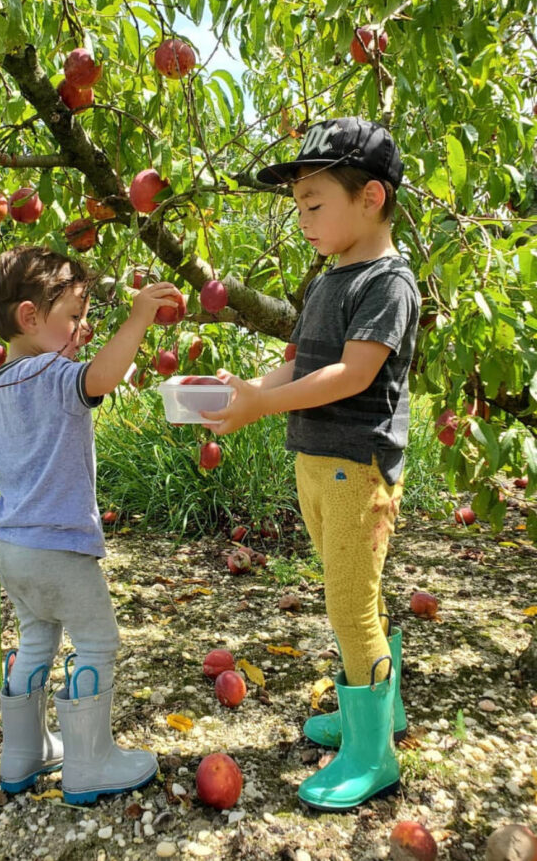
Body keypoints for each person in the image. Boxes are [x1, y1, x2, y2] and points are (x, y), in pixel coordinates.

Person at [202, 117, 421, 811]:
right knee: (351, 593)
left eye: (314, 203)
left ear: (371, 198)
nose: (303, 218)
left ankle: (372, 753)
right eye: (297, 206)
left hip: (358, 468)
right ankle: (381, 711)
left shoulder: (388, 283)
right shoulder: (330, 281)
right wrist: (249, 391)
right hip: (317, 464)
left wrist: (262, 408)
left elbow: (355, 375)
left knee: (349, 605)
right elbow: (300, 361)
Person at [0, 244, 180, 805]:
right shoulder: (55, 372)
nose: (83, 328)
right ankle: (90, 765)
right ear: (30, 317)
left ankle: (22, 755)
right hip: (61, 547)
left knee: (36, 639)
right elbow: (100, 378)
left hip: (11, 549)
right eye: (73, 316)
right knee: (96, 641)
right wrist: (138, 317)